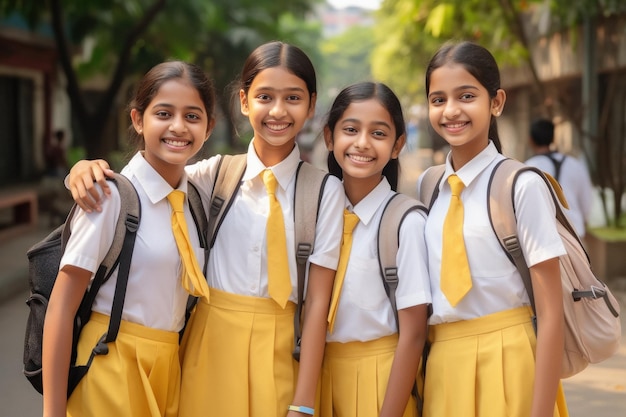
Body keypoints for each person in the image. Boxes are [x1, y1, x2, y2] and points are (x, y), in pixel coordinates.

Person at [65, 41, 344, 417]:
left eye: (293, 98)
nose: (278, 111)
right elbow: (147, 175)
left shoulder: (325, 191)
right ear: (244, 102)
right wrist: (83, 170)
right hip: (206, 352)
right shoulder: (212, 176)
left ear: (311, 105)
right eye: (265, 96)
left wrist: (304, 403)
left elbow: (317, 307)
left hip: (280, 354)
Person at [42, 61, 216, 417]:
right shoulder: (109, 196)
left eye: (193, 116)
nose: (178, 127)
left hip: (169, 370)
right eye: (164, 113)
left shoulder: (195, 199)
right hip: (112, 364)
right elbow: (61, 307)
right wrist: (52, 411)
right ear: (138, 120)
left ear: (209, 127)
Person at [416, 41, 569, 417]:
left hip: (511, 361)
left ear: (496, 102)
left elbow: (552, 314)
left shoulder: (522, 185)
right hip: (443, 368)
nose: (451, 110)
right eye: (438, 99)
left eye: (466, 96)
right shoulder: (428, 185)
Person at [321, 82, 430, 417]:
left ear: (397, 145)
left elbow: (414, 335)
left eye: (379, 134)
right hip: (321, 381)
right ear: (330, 138)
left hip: (381, 383)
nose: (362, 143)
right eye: (350, 130)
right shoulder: (317, 213)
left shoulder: (406, 223)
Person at [525, 118, 593, 237]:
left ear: (530, 140)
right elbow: (586, 201)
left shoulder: (528, 168)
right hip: (574, 235)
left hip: (544, 239)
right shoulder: (574, 164)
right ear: (553, 138)